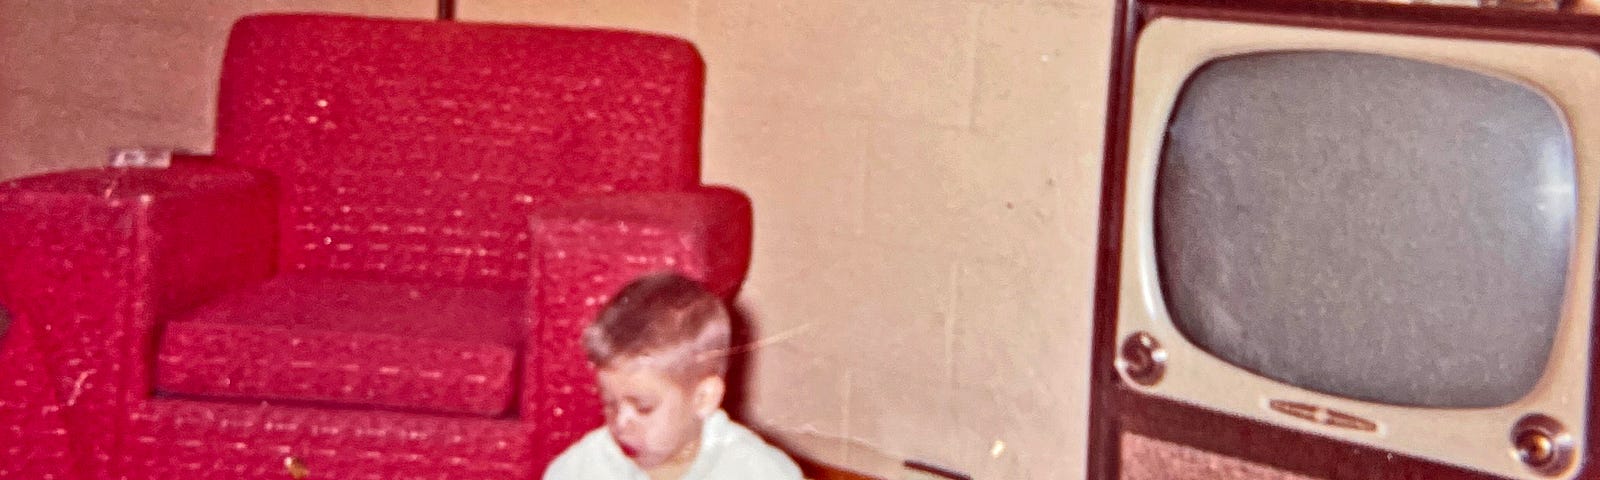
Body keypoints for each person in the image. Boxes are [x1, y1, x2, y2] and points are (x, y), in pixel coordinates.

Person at [544, 272, 803, 480]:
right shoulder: (583, 467)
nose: (622, 424)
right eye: (610, 404)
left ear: (703, 398)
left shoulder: (757, 470)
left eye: (644, 407)